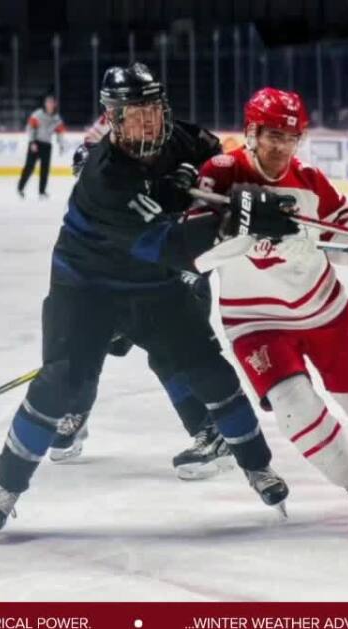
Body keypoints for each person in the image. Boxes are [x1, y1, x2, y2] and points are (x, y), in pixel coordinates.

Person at [0, 63, 294, 539]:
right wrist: (241, 218)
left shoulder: (184, 140)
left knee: (208, 366)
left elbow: (229, 161)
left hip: (153, 284)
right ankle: (6, 487)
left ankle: (257, 466)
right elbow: (165, 242)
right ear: (113, 119)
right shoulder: (105, 176)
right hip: (86, 287)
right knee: (60, 381)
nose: (146, 122)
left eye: (152, 110)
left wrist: (248, 191)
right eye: (133, 114)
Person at [194, 87, 348, 528]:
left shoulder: (308, 180)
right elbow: (196, 250)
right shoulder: (221, 173)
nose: (280, 146)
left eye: (290, 137)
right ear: (251, 132)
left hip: (324, 310)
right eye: (271, 134)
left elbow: (343, 233)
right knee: (295, 407)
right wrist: (241, 236)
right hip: (255, 321)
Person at [63, 113, 233, 481]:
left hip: (180, 262)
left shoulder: (173, 136)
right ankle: (74, 416)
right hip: (125, 270)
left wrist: (190, 171)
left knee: (169, 352)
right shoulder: (103, 164)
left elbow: (218, 159)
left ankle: (209, 431)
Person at [17, 94, 66, 199]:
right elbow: (30, 128)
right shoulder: (37, 114)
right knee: (29, 166)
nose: (50, 104)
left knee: (45, 169)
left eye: (52, 102)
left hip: (47, 145)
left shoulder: (56, 118)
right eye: (48, 102)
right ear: (45, 103)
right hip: (36, 143)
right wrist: (32, 142)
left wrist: (61, 145)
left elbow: (60, 132)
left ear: (55, 104)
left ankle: (42, 192)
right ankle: (20, 188)